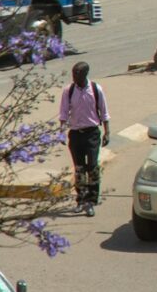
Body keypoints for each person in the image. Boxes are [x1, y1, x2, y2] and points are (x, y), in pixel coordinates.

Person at [59, 62, 110, 217]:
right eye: (73, 74)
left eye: (77, 74)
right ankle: (81, 200)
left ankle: (91, 201)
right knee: (79, 168)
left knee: (92, 167)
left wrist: (107, 132)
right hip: (75, 134)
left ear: (85, 74)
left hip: (92, 133)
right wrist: (61, 132)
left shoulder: (95, 89)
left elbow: (104, 112)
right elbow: (63, 113)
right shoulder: (69, 91)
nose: (74, 77)